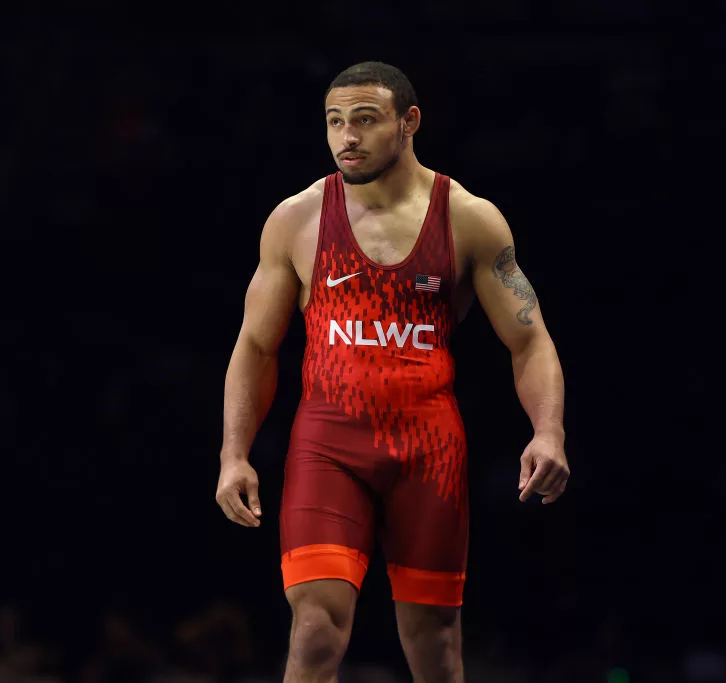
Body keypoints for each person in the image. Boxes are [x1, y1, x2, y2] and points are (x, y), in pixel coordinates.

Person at [215, 61, 569, 683]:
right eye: (334, 122)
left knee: (434, 644)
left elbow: (529, 340)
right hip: (328, 447)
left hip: (428, 449)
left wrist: (549, 432)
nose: (346, 136)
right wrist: (233, 455)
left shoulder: (469, 218)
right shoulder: (296, 220)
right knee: (316, 629)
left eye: (365, 120)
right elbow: (254, 346)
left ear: (409, 123)